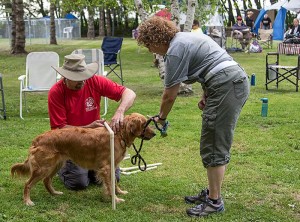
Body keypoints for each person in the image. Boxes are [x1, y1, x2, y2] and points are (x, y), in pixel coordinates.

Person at [137, 16, 249, 217]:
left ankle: (214, 201)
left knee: (214, 142)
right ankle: (212, 192)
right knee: (212, 138)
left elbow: (169, 95)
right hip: (228, 82)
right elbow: (211, 61)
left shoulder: (174, 51)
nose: (150, 50)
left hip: (227, 85)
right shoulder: (185, 38)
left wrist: (161, 118)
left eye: (148, 45)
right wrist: (207, 93)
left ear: (155, 40)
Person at [48, 54, 136, 190]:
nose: (82, 82)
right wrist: (88, 127)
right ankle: (63, 164)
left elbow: (129, 93)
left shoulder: (94, 81)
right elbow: (59, 130)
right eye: (77, 79)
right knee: (78, 183)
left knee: (114, 177)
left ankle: (90, 167)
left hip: (97, 142)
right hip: (72, 144)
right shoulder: (56, 92)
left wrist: (120, 111)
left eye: (84, 77)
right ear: (66, 77)